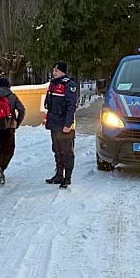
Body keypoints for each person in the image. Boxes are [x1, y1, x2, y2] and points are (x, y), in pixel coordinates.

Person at [44, 61, 78, 189]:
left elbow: (71, 106)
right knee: (57, 150)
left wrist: (68, 124)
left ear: (63, 72)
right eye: (53, 71)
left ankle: (67, 177)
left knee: (67, 151)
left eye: (56, 71)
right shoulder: (53, 84)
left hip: (64, 124)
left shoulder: (69, 85)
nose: (54, 73)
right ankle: (59, 175)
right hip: (53, 122)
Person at [0, 78, 26, 185]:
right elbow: (22, 110)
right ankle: (0, 168)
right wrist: (17, 122)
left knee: (0, 148)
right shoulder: (12, 97)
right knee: (9, 149)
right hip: (9, 126)